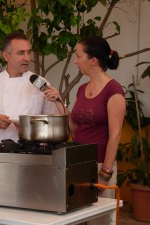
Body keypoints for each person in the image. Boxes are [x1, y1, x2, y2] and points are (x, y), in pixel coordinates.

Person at [46, 36, 125, 225]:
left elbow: (115, 135)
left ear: (93, 61)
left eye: (78, 56)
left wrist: (104, 175)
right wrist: (58, 101)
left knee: (99, 221)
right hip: (77, 165)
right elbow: (74, 126)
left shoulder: (113, 91)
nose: (75, 61)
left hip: (99, 166)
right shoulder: (82, 89)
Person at [0, 32, 64, 143]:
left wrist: (31, 126)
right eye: (21, 53)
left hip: (33, 151)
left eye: (28, 52)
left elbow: (54, 122)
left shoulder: (39, 82)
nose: (27, 58)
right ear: (6, 56)